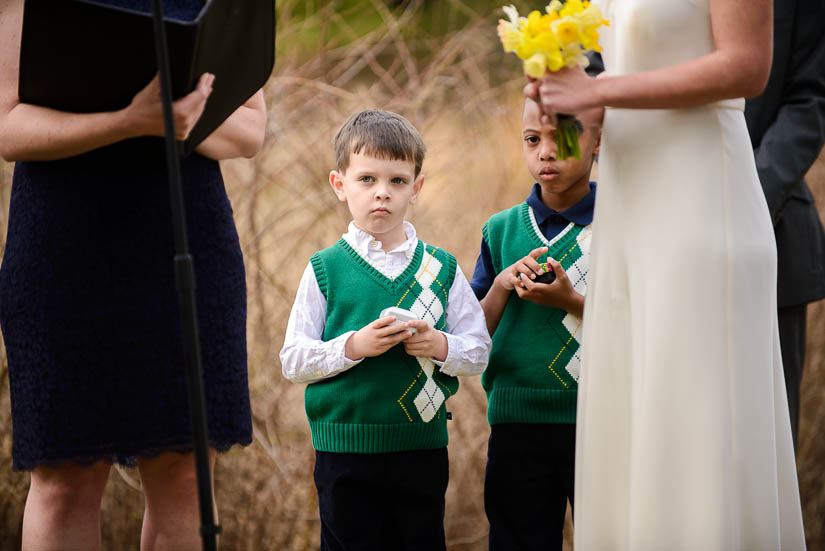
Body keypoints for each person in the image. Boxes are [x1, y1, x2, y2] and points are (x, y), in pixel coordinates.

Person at [525, 0, 806, 548]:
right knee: (635, 410)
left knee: (693, 412)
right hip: (630, 207)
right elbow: (597, 100)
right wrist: (558, 106)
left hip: (700, 201)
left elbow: (748, 66)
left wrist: (599, 90)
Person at [0, 0, 266, 549]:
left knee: (187, 473)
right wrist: (130, 122)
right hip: (62, 244)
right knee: (64, 478)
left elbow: (249, 131)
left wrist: (173, 122)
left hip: (187, 237)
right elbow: (6, 127)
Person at [279, 109, 491, 551]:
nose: (382, 194)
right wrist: (354, 345)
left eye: (397, 181)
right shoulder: (325, 269)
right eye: (367, 180)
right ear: (340, 185)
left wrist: (438, 344)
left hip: (421, 448)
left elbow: (478, 351)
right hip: (345, 452)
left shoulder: (441, 267)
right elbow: (293, 360)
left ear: (416, 188)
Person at [470, 99, 601, 551]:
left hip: (602, 418)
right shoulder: (500, 230)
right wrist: (503, 286)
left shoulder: (624, 225)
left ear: (598, 140)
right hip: (516, 421)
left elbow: (646, 321)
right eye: (532, 140)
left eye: (562, 138)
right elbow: (472, 335)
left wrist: (573, 301)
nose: (545, 152)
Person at [744, 0, 825, 451]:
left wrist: (745, 200)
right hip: (648, 245)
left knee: (764, 448)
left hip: (770, 237)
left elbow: (810, 98)